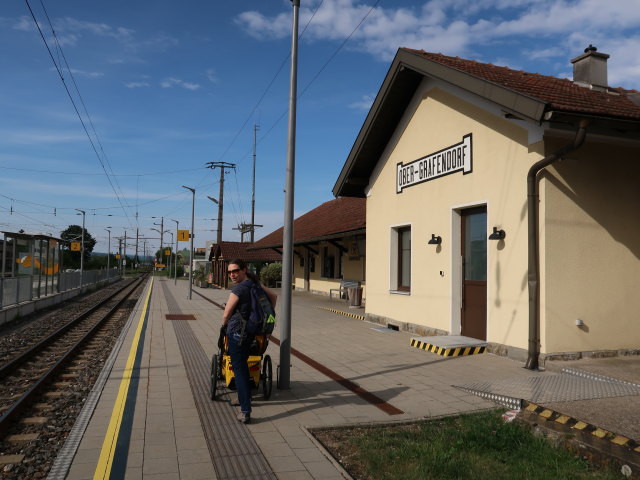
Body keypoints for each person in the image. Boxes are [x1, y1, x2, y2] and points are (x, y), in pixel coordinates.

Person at [221, 259, 277, 424]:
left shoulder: (238, 288)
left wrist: (223, 326)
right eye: (230, 272)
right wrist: (263, 318)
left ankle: (245, 410)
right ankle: (242, 397)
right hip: (252, 333)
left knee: (240, 370)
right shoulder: (255, 284)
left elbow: (227, 312)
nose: (232, 274)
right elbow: (273, 296)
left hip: (237, 334)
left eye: (236, 271)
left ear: (244, 269)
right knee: (243, 365)